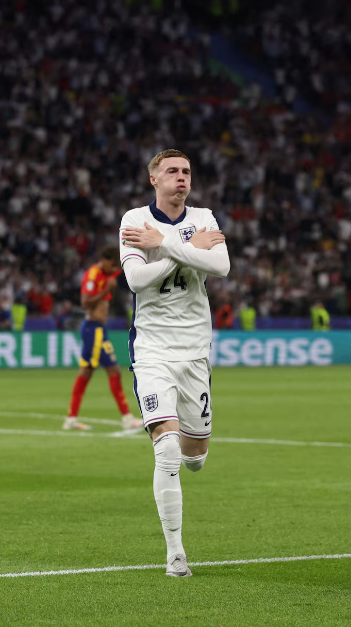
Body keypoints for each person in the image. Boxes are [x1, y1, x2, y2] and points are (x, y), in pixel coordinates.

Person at [120, 149, 230, 577]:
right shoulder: (134, 220)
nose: (181, 178)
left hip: (195, 349)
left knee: (195, 454)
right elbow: (136, 279)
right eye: (172, 171)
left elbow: (220, 266)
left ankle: (193, 447)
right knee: (165, 448)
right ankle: (175, 553)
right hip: (152, 348)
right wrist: (184, 250)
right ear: (154, 179)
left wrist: (165, 245)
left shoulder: (204, 217)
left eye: (186, 171)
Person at [64, 247, 141, 431]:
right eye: (112, 265)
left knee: (86, 373)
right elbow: (85, 302)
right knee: (113, 370)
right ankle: (127, 418)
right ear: (104, 261)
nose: (113, 270)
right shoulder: (93, 276)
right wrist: (106, 288)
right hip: (93, 330)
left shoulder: (106, 271)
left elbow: (121, 268)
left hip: (98, 330)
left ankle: (71, 418)